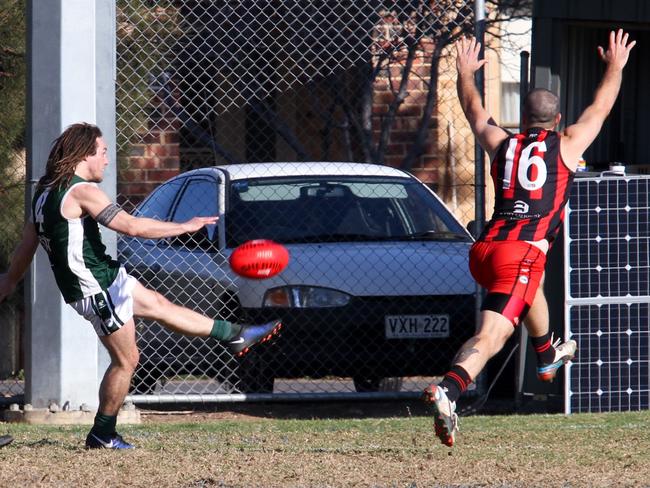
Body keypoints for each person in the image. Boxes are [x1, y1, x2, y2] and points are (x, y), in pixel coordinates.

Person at [0, 123, 282, 450]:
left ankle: (234, 334)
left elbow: (26, 245)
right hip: (96, 288)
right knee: (127, 360)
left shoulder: (45, 194)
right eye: (103, 152)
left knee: (159, 305)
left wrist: (9, 279)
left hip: (107, 276)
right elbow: (131, 227)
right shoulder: (81, 192)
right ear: (85, 154)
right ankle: (102, 434)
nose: (107, 160)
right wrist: (185, 226)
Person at [423, 29, 636, 447]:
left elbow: (473, 108)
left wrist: (465, 72)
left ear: (523, 118)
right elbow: (602, 105)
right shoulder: (568, 144)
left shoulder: (502, 142)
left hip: (486, 249)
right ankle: (448, 390)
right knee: (493, 336)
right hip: (518, 254)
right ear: (557, 121)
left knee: (531, 283)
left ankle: (545, 355)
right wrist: (615, 66)